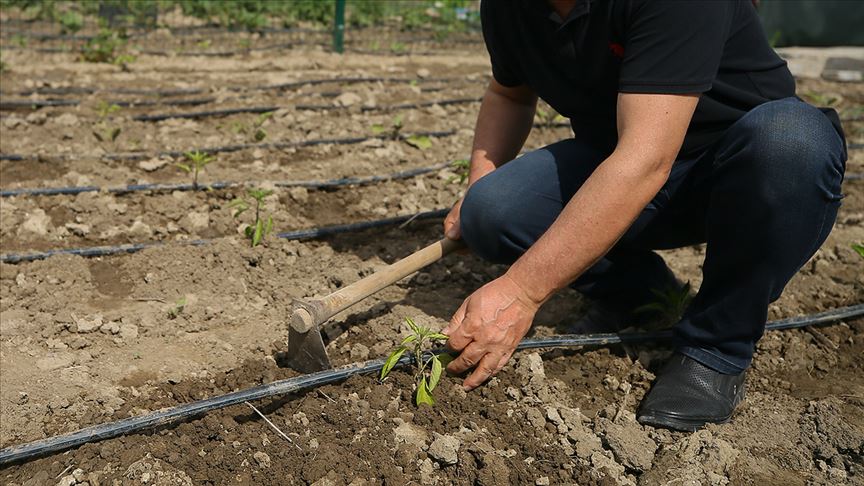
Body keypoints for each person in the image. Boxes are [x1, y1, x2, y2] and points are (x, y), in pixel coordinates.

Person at [441, 0, 846, 431]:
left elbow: (646, 160)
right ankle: (643, 295)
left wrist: (521, 292)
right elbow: (509, 93)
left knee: (791, 143)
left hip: (742, 174)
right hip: (622, 167)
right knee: (492, 210)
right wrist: (478, 185)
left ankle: (717, 345)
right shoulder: (510, 8)